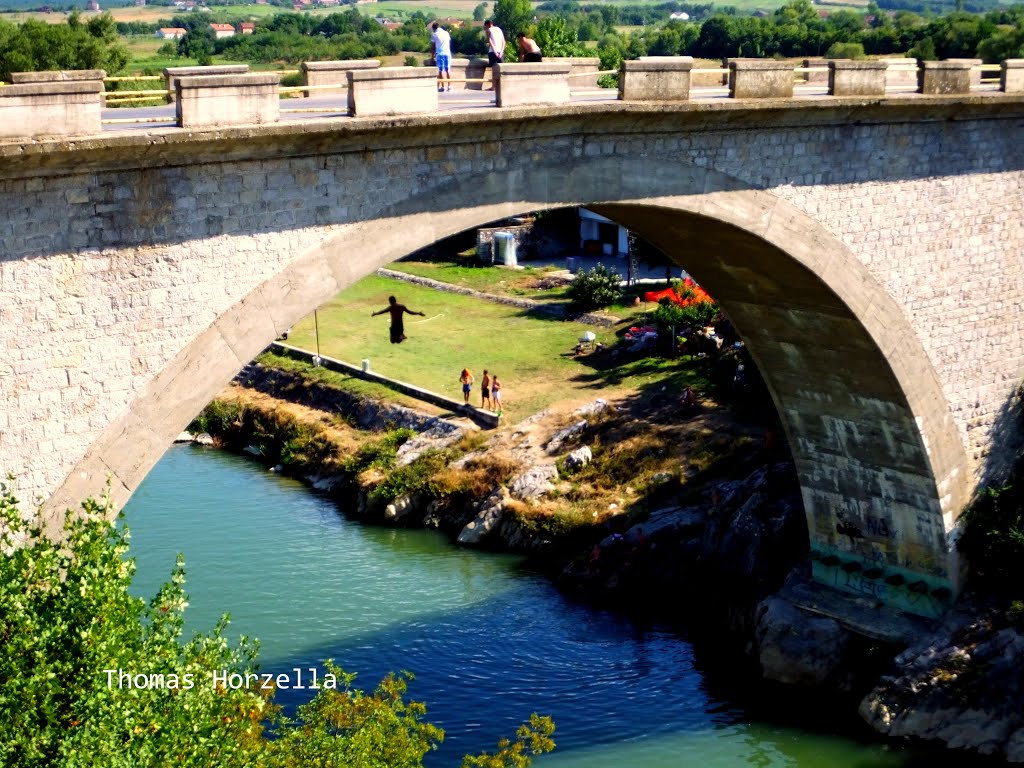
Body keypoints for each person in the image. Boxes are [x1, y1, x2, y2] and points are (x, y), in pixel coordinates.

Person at [483, 20, 505, 90]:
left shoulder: (488, 30)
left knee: (494, 70)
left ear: (487, 25)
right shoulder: (499, 29)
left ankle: (493, 86)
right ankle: (502, 86)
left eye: (485, 26)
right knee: (501, 70)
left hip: (493, 52)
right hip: (500, 51)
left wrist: (495, 52)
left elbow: (490, 42)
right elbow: (504, 41)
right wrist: (501, 52)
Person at [431, 22, 452, 92]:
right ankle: (449, 86)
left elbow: (433, 46)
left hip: (440, 54)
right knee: (448, 70)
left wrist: (432, 56)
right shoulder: (446, 33)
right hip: (447, 53)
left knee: (440, 71)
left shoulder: (435, 34)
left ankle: (443, 87)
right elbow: (448, 44)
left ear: (434, 28)